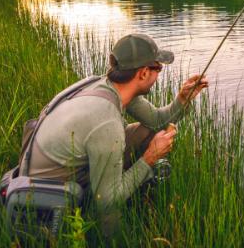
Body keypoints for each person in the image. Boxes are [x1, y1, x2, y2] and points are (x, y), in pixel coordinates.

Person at [20, 33, 208, 235]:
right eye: (158, 68)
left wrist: (182, 99)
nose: (158, 74)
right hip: (48, 193)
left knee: (148, 131)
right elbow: (107, 201)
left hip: (52, 167)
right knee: (110, 205)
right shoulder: (107, 122)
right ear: (143, 73)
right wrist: (150, 158)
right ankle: (113, 238)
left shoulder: (107, 85)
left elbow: (156, 121)